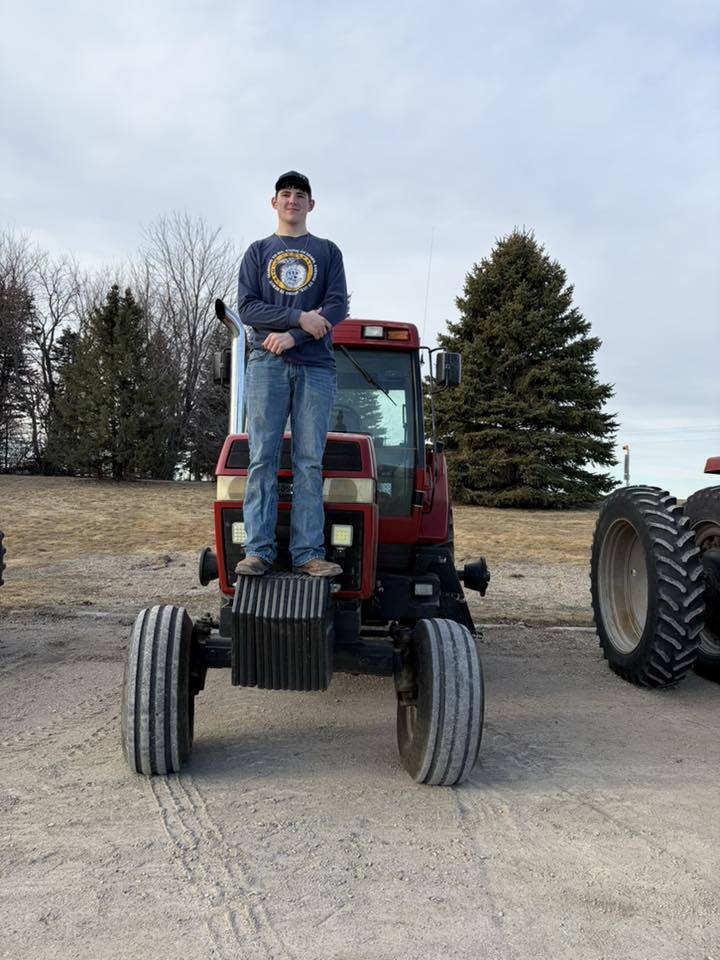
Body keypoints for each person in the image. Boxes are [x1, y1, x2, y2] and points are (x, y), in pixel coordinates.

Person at [235, 171, 348, 578]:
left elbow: (336, 307)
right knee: (262, 458)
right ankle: (258, 551)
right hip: (266, 365)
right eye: (286, 194)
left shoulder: (327, 251)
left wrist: (293, 336)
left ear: (311, 205)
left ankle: (308, 554)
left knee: (308, 462)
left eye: (300, 195)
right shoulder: (258, 251)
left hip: (316, 366)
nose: (293, 200)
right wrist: (299, 316)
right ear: (274, 202)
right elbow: (247, 308)